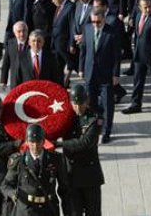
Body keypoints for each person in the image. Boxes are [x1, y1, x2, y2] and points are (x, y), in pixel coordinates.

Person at [54, 84, 104, 215]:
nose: (78, 107)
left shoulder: (95, 119)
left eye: (81, 103)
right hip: (71, 174)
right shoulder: (66, 117)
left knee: (93, 212)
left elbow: (85, 143)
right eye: (75, 104)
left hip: (89, 176)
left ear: (87, 101)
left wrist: (59, 145)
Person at [1, 124, 71, 216]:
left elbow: (64, 189)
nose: (35, 146)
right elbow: (5, 185)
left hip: (48, 209)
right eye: (32, 142)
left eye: (38, 142)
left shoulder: (55, 159)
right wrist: (14, 194)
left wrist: (69, 212)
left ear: (43, 141)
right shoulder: (19, 161)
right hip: (26, 209)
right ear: (27, 142)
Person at [79, 8, 120, 143]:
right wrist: (81, 69)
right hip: (90, 73)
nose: (95, 24)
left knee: (108, 104)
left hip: (106, 75)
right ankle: (93, 128)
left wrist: (116, 74)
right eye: (93, 21)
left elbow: (116, 56)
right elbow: (84, 50)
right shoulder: (88, 29)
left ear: (104, 19)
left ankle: (107, 131)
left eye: (98, 21)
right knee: (91, 103)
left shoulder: (112, 32)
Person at [1, 21, 29, 89]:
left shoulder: (32, 43)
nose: (22, 34)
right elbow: (6, 63)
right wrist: (3, 80)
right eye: (19, 31)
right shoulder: (10, 43)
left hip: (28, 80)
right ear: (14, 33)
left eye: (24, 31)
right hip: (15, 80)